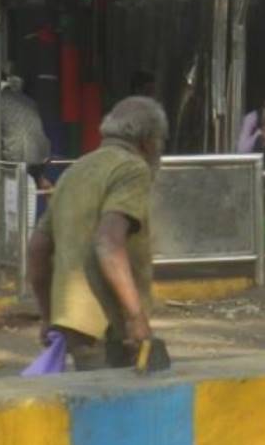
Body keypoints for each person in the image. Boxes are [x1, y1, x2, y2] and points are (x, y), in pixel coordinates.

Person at [25, 96, 171, 372]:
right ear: (148, 141)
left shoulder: (74, 171)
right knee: (118, 409)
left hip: (73, 321)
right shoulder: (132, 168)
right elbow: (108, 243)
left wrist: (48, 316)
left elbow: (38, 248)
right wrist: (135, 317)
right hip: (109, 326)